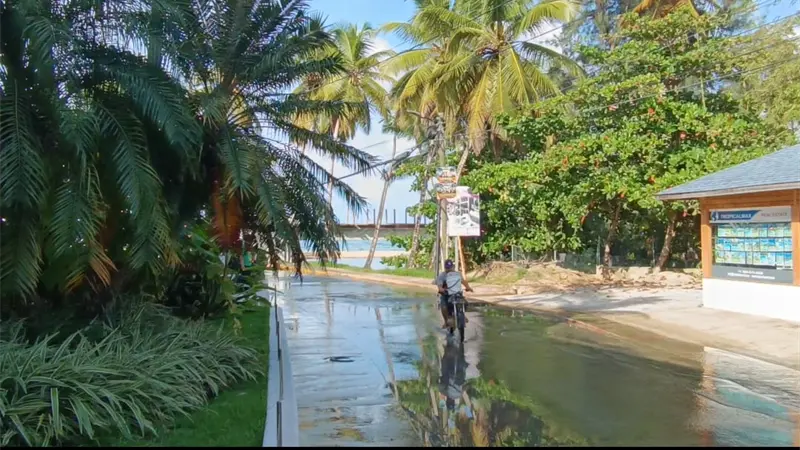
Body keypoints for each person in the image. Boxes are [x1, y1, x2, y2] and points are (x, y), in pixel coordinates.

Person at [436, 259, 473, 329]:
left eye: (450, 267)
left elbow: (463, 281)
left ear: (453, 267)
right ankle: (446, 321)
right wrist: (442, 290)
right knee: (443, 306)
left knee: (465, 303)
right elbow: (439, 286)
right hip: (446, 295)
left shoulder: (458, 274)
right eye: (447, 268)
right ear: (445, 268)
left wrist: (468, 288)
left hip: (457, 293)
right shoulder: (442, 275)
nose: (449, 269)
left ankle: (463, 315)